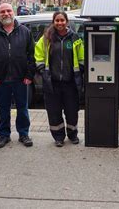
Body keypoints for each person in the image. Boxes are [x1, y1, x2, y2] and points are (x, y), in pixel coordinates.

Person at [0, 3, 35, 149]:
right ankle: (4, 135)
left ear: (13, 12)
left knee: (22, 108)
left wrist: (29, 75)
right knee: (3, 109)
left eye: (8, 11)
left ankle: (23, 134)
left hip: (21, 79)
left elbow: (31, 56)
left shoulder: (25, 31)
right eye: (2, 11)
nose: (6, 14)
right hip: (1, 80)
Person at [35, 12, 84, 147]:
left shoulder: (74, 37)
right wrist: (41, 69)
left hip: (70, 83)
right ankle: (58, 137)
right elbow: (38, 54)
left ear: (67, 22)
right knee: (54, 112)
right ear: (53, 22)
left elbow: (81, 56)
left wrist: (81, 68)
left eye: (62, 20)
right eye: (57, 20)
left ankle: (73, 135)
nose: (60, 23)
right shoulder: (46, 38)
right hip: (52, 83)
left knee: (72, 111)